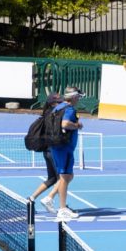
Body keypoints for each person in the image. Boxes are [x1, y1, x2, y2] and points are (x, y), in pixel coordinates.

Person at [50, 86, 85, 222]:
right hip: (64, 147)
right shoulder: (69, 109)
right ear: (74, 97)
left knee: (68, 175)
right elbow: (65, 124)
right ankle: (62, 209)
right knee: (65, 177)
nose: (79, 99)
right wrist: (77, 126)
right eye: (78, 97)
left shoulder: (58, 108)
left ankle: (51, 197)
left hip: (57, 146)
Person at [27, 92, 61, 214]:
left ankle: (31, 199)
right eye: (58, 102)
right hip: (53, 151)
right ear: (52, 103)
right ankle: (53, 202)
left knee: (52, 179)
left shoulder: (46, 114)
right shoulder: (54, 115)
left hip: (47, 150)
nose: (61, 104)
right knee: (63, 178)